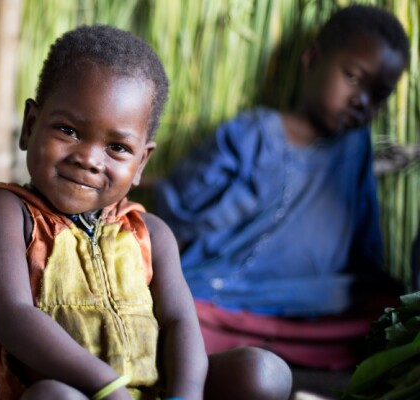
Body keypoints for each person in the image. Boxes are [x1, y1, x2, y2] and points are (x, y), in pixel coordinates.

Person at [0, 25, 292, 400]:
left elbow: (180, 321)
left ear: (142, 162)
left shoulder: (149, 233)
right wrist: (108, 387)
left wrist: (185, 395)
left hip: (148, 389)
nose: (88, 159)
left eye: (117, 147)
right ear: (31, 126)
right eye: (68, 130)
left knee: (264, 372)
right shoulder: (7, 212)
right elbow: (11, 315)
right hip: (62, 392)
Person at [154, 5, 409, 369]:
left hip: (313, 307)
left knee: (388, 319)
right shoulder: (251, 133)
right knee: (183, 321)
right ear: (312, 59)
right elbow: (181, 218)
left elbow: (364, 238)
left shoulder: (356, 148)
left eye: (378, 93)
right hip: (225, 298)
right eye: (352, 77)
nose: (362, 100)